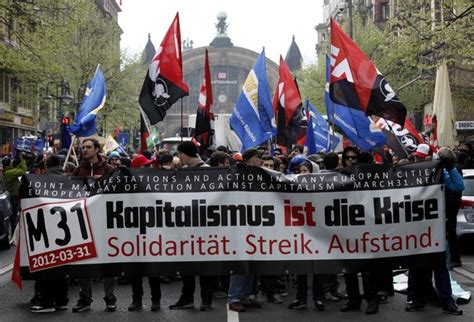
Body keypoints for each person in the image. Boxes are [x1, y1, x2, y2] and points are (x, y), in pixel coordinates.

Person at [406, 147, 463, 315]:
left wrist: (450, 168)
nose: (419, 161)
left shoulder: (441, 173)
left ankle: (447, 302)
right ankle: (418, 300)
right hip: (417, 229)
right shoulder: (410, 174)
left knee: (440, 267)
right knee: (418, 267)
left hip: (435, 228)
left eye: (422, 158)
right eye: (418, 158)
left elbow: (458, 186)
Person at [71, 138, 117, 313]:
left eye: (88, 147)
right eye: (83, 147)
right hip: (84, 222)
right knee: (84, 261)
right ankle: (85, 298)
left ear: (97, 149)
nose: (85, 150)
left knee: (108, 262)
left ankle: (110, 298)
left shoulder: (108, 169)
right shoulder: (78, 170)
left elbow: (118, 191)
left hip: (105, 221)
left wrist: (103, 180)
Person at [169, 141, 215, 311]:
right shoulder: (183, 171)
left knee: (204, 265)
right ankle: (187, 298)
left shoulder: (208, 171)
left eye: (179, 154)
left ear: (185, 154)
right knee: (187, 264)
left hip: (204, 226)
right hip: (187, 225)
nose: (178, 158)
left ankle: (206, 299)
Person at [30, 155, 69, 313]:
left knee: (46, 265)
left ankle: (47, 302)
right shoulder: (68, 180)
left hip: (47, 227)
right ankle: (61, 300)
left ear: (46, 165)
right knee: (62, 265)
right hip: (67, 230)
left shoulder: (41, 180)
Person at [227, 148, 263, 313]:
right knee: (241, 263)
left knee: (252, 263)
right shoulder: (238, 173)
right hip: (240, 224)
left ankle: (245, 296)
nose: (260, 160)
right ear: (249, 159)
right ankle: (234, 297)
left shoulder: (262, 174)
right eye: (257, 157)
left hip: (256, 223)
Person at [127, 154, 162, 312]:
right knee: (135, 270)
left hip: (151, 232)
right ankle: (137, 300)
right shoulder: (127, 186)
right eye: (145, 166)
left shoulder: (154, 183)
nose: (148, 169)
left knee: (153, 270)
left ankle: (156, 300)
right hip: (133, 233)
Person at [3, 152, 27, 231]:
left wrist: (20, 161)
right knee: (13, 217)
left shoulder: (8, 172)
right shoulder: (9, 173)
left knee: (13, 216)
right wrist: (22, 159)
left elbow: (17, 169)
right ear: (9, 164)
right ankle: (13, 233)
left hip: (11, 196)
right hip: (13, 197)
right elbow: (22, 171)